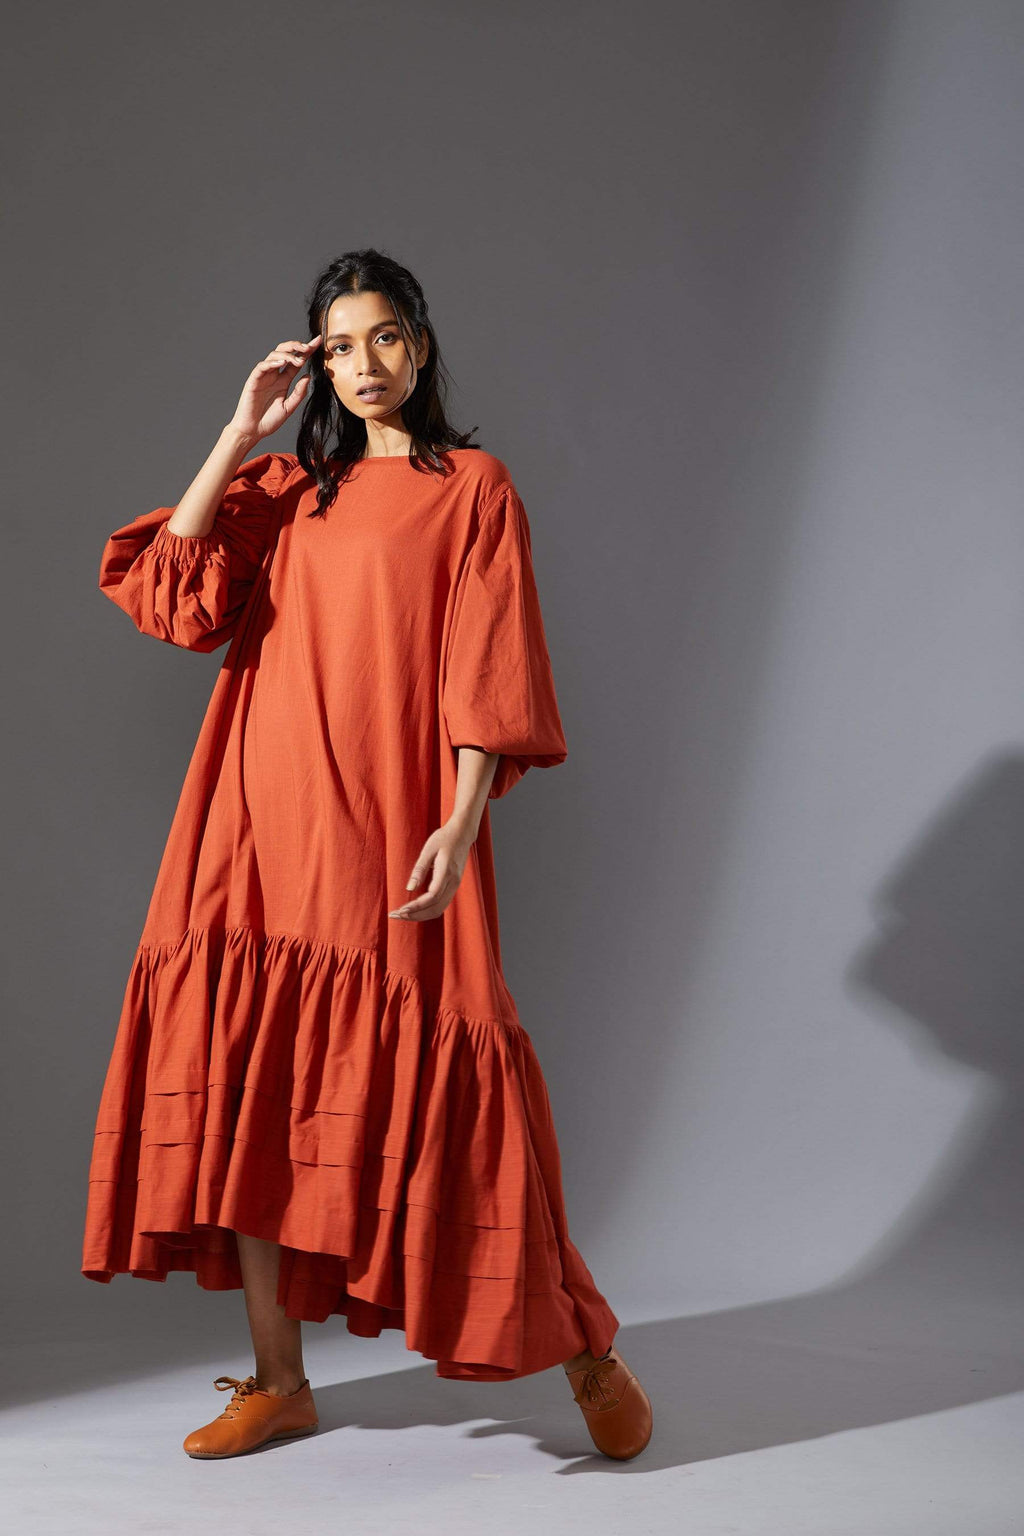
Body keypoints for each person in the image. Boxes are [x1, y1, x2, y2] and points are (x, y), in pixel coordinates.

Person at [81, 248, 653, 1462]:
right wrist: (237, 433)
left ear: (421, 346)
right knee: (252, 1085)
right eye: (339, 347)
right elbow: (170, 599)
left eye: (384, 337)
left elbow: (489, 663)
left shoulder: (472, 487)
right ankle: (278, 1380)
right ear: (318, 367)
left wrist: (462, 816)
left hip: (391, 823)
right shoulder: (290, 488)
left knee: (463, 1075)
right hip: (254, 824)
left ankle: (582, 1348)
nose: (365, 364)